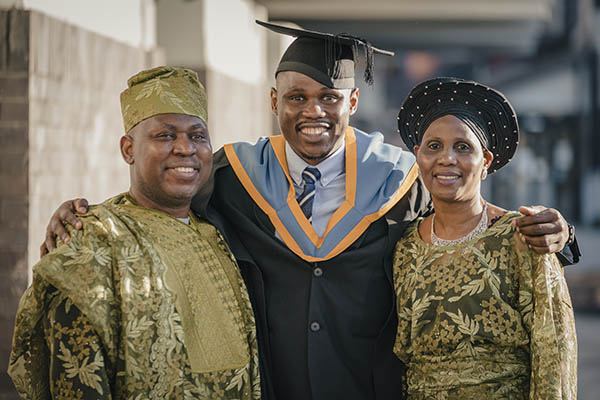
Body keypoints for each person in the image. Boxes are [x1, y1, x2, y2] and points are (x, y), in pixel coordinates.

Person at [40, 22, 579, 400]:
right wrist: (86, 217)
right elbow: (159, 204)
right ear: (273, 101)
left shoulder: (401, 179)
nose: (312, 111)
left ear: (352, 103)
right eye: (296, 97)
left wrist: (560, 233)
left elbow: (466, 215)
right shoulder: (231, 177)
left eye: (328, 97)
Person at [8, 67, 260, 399]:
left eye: (198, 135)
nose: (186, 148)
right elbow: (77, 380)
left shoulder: (218, 230)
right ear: (128, 149)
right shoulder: (93, 242)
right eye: (165, 135)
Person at [393, 77, 577, 398]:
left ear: (486, 162)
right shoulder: (406, 247)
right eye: (434, 146)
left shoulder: (522, 235)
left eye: (463, 147)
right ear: (418, 155)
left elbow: (555, 351)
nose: (447, 159)